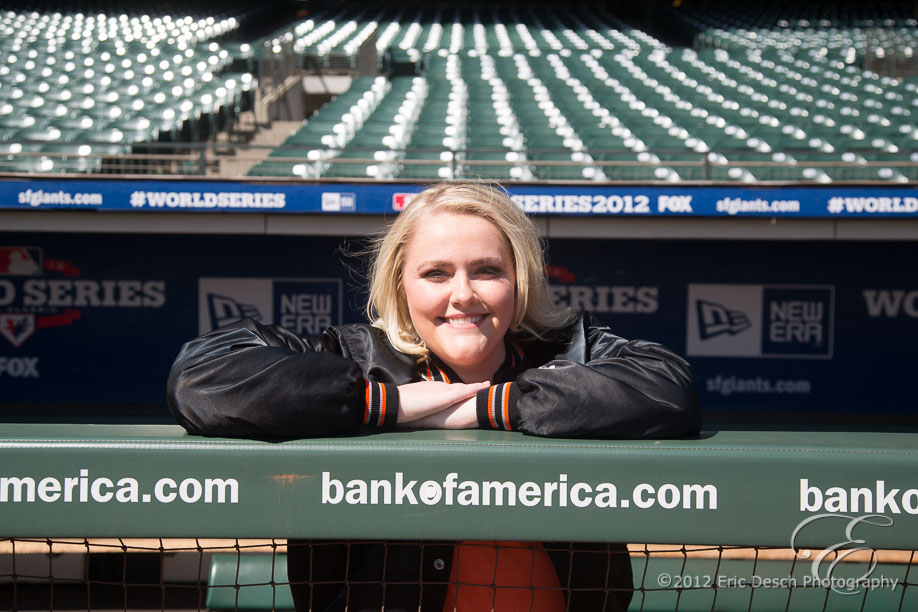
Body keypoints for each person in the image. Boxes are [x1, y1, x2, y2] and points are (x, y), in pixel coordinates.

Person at [167, 181, 700, 611]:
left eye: (488, 271)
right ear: (402, 284)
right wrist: (386, 405)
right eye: (435, 273)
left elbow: (670, 388)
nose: (462, 294)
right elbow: (201, 377)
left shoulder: (573, 350)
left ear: (520, 280)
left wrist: (494, 406)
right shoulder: (353, 354)